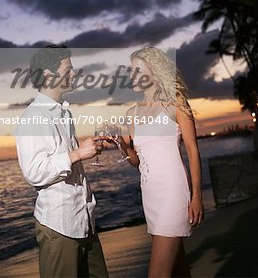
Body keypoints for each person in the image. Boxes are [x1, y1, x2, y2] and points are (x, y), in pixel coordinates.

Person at [15, 45, 108, 278]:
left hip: (84, 220)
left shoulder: (64, 113)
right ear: (48, 74)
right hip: (59, 226)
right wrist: (77, 154)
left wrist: (86, 149)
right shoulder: (34, 117)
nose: (74, 74)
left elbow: (66, 159)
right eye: (69, 69)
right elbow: (34, 172)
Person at [120, 47, 204, 278]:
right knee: (178, 267)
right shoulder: (131, 114)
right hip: (150, 197)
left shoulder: (175, 104)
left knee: (158, 273)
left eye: (138, 71)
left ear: (155, 72)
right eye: (131, 71)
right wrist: (124, 147)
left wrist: (197, 196)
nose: (132, 76)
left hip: (172, 193)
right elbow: (137, 162)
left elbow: (192, 151)